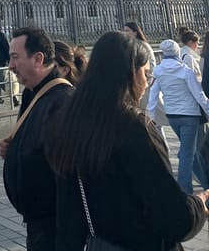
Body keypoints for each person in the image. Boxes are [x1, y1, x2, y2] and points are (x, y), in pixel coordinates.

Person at [49, 32, 209, 251]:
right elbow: (173, 218)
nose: (146, 82)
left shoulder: (69, 120)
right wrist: (197, 206)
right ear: (130, 74)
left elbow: (66, 206)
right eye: (145, 73)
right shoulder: (134, 127)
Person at [0, 27, 72, 251]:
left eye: (14, 57)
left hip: (57, 228)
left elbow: (68, 173)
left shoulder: (61, 102)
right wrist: (14, 147)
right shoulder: (32, 93)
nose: (10, 65)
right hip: (37, 224)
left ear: (38, 59)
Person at [147, 39, 209, 193]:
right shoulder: (185, 71)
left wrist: (150, 114)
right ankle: (185, 190)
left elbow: (153, 94)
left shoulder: (159, 71)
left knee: (189, 152)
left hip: (172, 115)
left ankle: (205, 182)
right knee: (188, 154)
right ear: (177, 52)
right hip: (190, 115)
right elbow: (199, 95)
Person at [123, 21, 156, 109]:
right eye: (124, 31)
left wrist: (146, 77)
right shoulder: (128, 45)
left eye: (127, 31)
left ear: (135, 33)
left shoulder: (142, 45)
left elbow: (151, 64)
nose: (125, 33)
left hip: (144, 81)